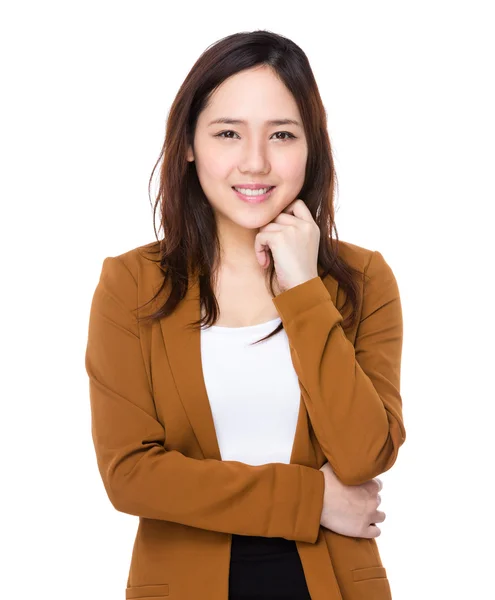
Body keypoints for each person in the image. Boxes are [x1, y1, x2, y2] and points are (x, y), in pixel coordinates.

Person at [85, 29, 406, 600]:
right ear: (188, 144)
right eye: (228, 133)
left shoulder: (362, 280)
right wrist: (311, 500)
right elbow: (130, 475)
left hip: (334, 583)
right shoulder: (131, 284)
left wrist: (305, 288)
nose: (255, 162)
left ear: (312, 147)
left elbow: (363, 455)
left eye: (282, 134)